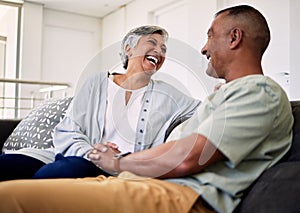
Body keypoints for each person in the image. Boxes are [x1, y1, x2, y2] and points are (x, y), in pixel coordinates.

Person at [0, 5, 293, 213]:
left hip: (177, 195)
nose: (203, 48)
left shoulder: (259, 91)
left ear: (234, 37)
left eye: (210, 35)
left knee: (9, 197)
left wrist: (118, 162)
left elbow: (186, 158)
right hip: (136, 182)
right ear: (128, 50)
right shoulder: (234, 95)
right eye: (152, 44)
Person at [28, 25, 200, 178]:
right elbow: (69, 130)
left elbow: (207, 108)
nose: (159, 51)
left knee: (56, 173)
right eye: (152, 43)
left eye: (163, 48)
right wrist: (95, 155)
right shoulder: (96, 83)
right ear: (129, 49)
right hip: (83, 157)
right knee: (9, 164)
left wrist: (223, 90)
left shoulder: (167, 93)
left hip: (123, 170)